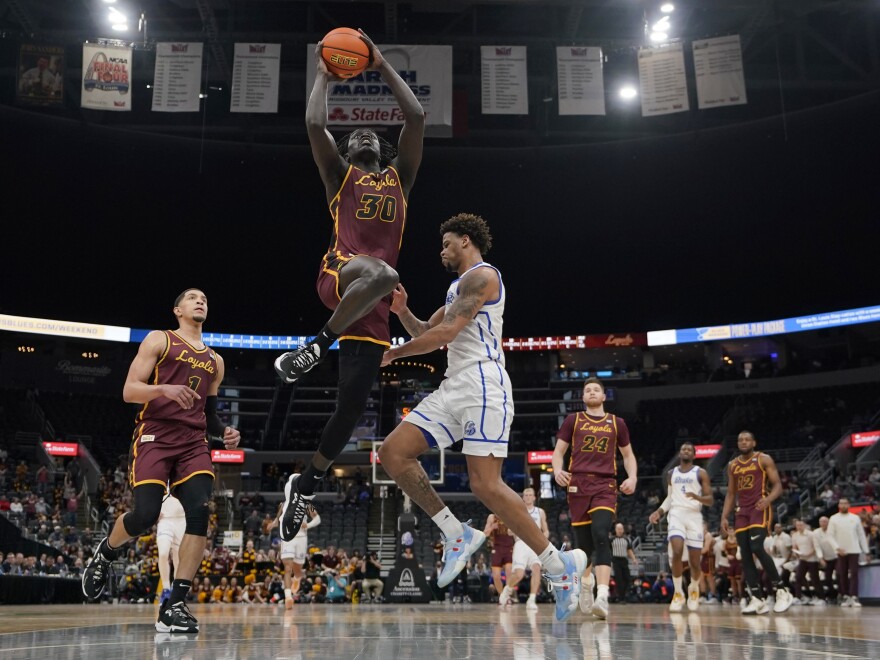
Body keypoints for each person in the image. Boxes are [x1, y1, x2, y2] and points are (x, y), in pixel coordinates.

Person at [376, 213, 586, 622]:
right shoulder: (457, 288)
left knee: (485, 485)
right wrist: (402, 312)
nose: (442, 250)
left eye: (446, 243)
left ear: (466, 241)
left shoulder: (483, 277)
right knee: (393, 452)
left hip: (483, 383)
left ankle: (559, 567)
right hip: (454, 385)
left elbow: (446, 334)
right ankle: (457, 532)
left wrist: (395, 354)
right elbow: (426, 328)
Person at [273, 30, 426, 543]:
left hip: (372, 311)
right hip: (342, 276)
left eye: (370, 134)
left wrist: (379, 64)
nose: (362, 134)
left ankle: (307, 485)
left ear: (383, 149)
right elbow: (316, 122)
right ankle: (316, 346)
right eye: (353, 133)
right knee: (386, 273)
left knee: (351, 410)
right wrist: (322, 72)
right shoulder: (338, 176)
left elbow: (417, 119)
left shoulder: (400, 178)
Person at [80, 288, 241, 634]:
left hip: (193, 442)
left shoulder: (216, 360)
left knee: (200, 511)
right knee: (145, 515)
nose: (201, 301)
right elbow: (129, 391)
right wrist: (163, 390)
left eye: (205, 299)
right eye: (193, 298)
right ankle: (106, 553)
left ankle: (175, 606)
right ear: (177, 310)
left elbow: (210, 416)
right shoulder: (160, 340)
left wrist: (225, 430)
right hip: (155, 433)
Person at [552, 377, 638, 620]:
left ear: (603, 396)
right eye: (587, 390)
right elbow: (558, 452)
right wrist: (558, 470)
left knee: (601, 534)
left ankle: (602, 596)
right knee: (583, 547)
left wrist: (631, 477)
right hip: (577, 484)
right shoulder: (573, 420)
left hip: (605, 484)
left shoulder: (617, 423)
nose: (591, 392)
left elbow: (628, 455)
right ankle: (586, 584)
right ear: (583, 397)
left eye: (596, 389)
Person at [720, 430, 793, 615]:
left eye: (747, 440)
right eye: (740, 440)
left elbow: (777, 485)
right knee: (744, 554)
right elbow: (730, 493)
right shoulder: (733, 465)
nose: (743, 442)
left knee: (757, 547)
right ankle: (757, 599)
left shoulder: (763, 459)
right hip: (741, 511)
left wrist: (768, 500)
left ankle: (782, 590)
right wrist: (724, 516)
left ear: (754, 442)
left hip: (760, 507)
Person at [649, 441, 713, 612]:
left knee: (694, 562)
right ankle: (678, 593)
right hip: (676, 514)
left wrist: (696, 497)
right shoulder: (671, 473)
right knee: (676, 551)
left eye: (689, 450)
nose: (685, 451)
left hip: (693, 516)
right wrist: (659, 512)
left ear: (693, 455)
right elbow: (669, 498)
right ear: (679, 453)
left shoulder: (701, 473)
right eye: (683, 449)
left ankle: (693, 588)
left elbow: (710, 499)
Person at [500, 487, 549, 611]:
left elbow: (546, 530)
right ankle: (507, 589)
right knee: (519, 574)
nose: (527, 497)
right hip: (521, 543)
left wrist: (543, 540)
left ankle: (532, 599)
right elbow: (509, 531)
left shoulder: (540, 512)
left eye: (530, 495)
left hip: (535, 544)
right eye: (525, 495)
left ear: (534, 497)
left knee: (537, 569)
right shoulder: (517, 512)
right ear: (522, 498)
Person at [273, 498, 320, 609]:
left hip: (300, 539)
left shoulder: (307, 504)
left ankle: (296, 579)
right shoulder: (282, 504)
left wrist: (308, 525)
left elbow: (317, 518)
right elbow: (278, 520)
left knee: (298, 570)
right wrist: (274, 524)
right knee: (288, 568)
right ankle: (288, 597)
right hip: (288, 539)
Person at [827, 497, 869, 607]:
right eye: (842, 504)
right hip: (841, 550)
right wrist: (837, 548)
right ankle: (845, 596)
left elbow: (861, 535)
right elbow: (829, 536)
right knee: (842, 574)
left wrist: (866, 551)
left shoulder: (855, 518)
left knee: (854, 573)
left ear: (849, 505)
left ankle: (854, 597)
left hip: (854, 549)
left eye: (846, 503)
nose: (844, 505)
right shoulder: (833, 518)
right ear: (839, 506)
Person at [156, 492, 186, 606]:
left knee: (178, 557)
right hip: (165, 519)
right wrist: (152, 512)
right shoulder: (160, 475)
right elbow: (150, 493)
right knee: (163, 553)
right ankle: (166, 589)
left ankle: (175, 590)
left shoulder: (185, 475)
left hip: (182, 520)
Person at [483, 512, 514, 605]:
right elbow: (485, 533)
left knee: (509, 573)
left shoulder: (510, 516)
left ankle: (507, 596)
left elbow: (518, 532)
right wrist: (492, 527)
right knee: (496, 576)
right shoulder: (492, 516)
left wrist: (513, 531)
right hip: (497, 548)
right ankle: (502, 596)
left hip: (509, 547)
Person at [609, 522, 639, 604]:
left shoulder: (626, 539)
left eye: (621, 529)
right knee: (619, 580)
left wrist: (634, 559)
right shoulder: (611, 540)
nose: (619, 530)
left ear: (623, 530)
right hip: (615, 560)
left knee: (627, 578)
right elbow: (608, 551)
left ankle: (624, 596)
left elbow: (629, 550)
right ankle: (621, 598)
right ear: (615, 530)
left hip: (624, 560)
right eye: (618, 529)